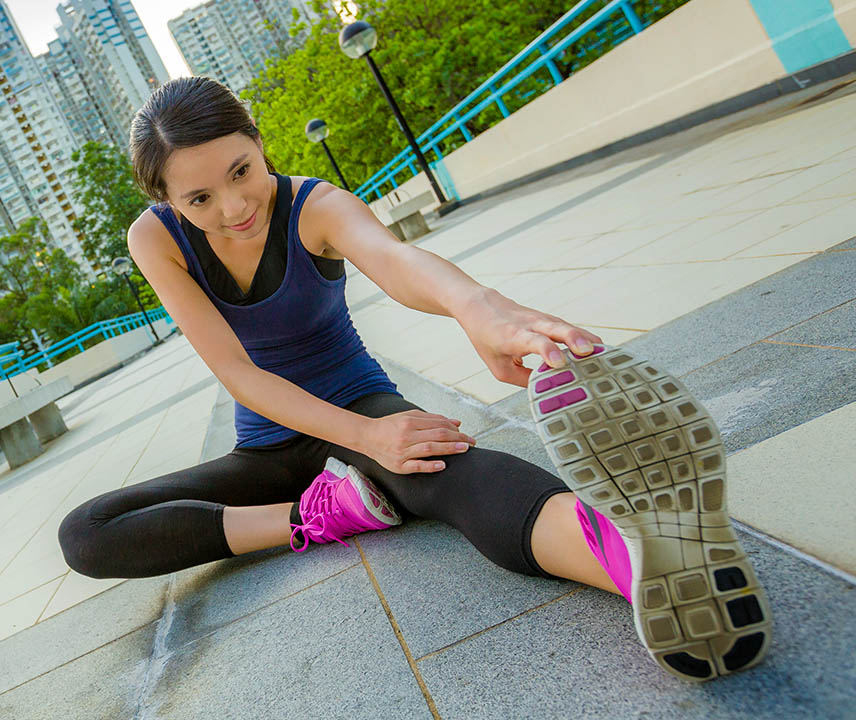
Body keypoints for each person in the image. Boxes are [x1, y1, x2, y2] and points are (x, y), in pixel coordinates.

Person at [57, 77, 771, 683]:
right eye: (199, 199)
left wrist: (480, 310)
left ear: (259, 141)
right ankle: (323, 516)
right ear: (167, 202)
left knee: (453, 478)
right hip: (273, 446)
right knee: (87, 534)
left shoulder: (318, 207)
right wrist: (359, 442)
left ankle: (639, 563)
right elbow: (237, 373)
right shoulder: (154, 239)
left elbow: (397, 263)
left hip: (359, 403)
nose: (234, 208)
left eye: (241, 171)